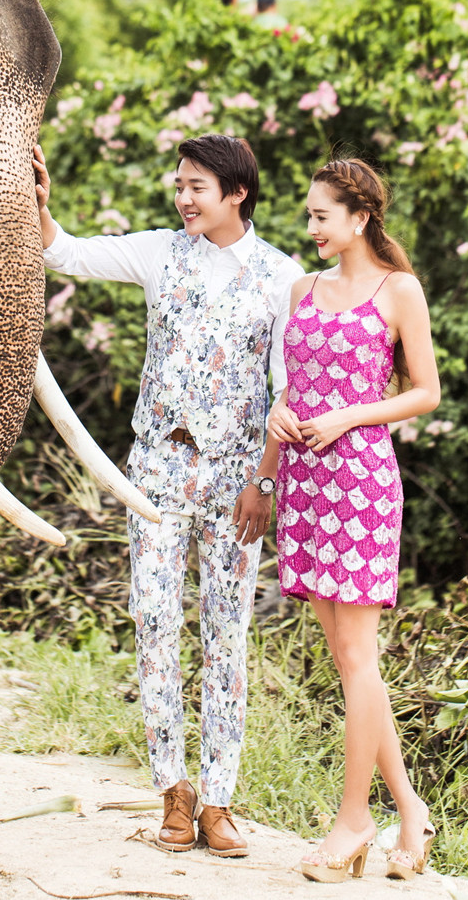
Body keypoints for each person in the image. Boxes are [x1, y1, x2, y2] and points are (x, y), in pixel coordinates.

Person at [33, 134, 303, 858]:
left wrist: (265, 482)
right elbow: (68, 253)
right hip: (157, 468)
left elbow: (288, 390)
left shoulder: (282, 277)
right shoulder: (160, 253)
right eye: (179, 185)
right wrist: (41, 206)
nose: (183, 198)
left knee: (226, 637)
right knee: (154, 622)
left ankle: (219, 801)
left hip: (237, 480)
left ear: (237, 193)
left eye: (197, 187)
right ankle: (172, 794)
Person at [257, 157, 441, 883]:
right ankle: (411, 811)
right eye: (308, 215)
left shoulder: (401, 292)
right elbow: (290, 385)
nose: (311, 228)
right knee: (349, 663)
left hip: (362, 483)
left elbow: (424, 392)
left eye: (321, 216)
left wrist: (351, 414)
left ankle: (353, 822)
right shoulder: (302, 289)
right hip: (304, 483)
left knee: (360, 660)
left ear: (359, 218)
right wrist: (275, 434)